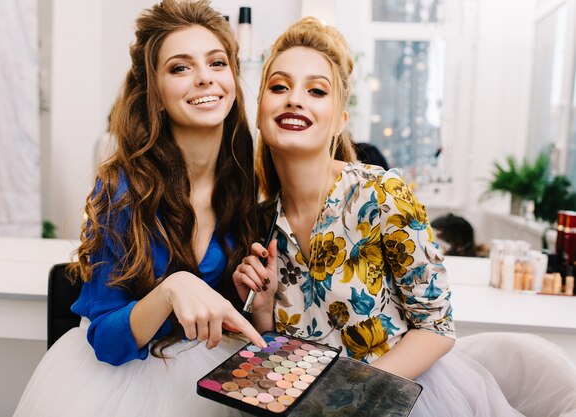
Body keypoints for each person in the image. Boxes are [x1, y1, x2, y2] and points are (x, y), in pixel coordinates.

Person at [233, 17, 576, 417]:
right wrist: (262, 307)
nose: (294, 98)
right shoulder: (260, 220)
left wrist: (352, 394)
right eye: (278, 86)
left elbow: (436, 327)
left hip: (393, 400)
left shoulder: (381, 194)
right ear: (259, 111)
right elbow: (283, 350)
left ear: (340, 121)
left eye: (316, 90)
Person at [14, 1, 266, 416]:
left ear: (233, 79)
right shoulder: (122, 190)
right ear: (158, 95)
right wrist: (171, 290)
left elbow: (207, 314)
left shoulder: (241, 180)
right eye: (180, 68)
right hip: (120, 385)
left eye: (217, 62)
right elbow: (106, 342)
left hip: (203, 375)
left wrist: (240, 295)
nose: (205, 78)